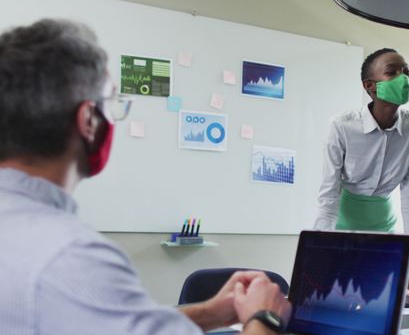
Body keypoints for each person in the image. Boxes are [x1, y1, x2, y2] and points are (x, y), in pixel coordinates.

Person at [0, 19, 290, 335]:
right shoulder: (70, 257)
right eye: (111, 103)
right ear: (88, 121)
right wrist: (264, 318)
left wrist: (210, 314)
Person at [315, 48, 409, 297]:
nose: (404, 77)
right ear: (370, 86)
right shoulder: (342, 126)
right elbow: (328, 196)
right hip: (342, 225)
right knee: (337, 298)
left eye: (406, 70)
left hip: (384, 225)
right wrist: (319, 257)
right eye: (392, 72)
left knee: (381, 301)